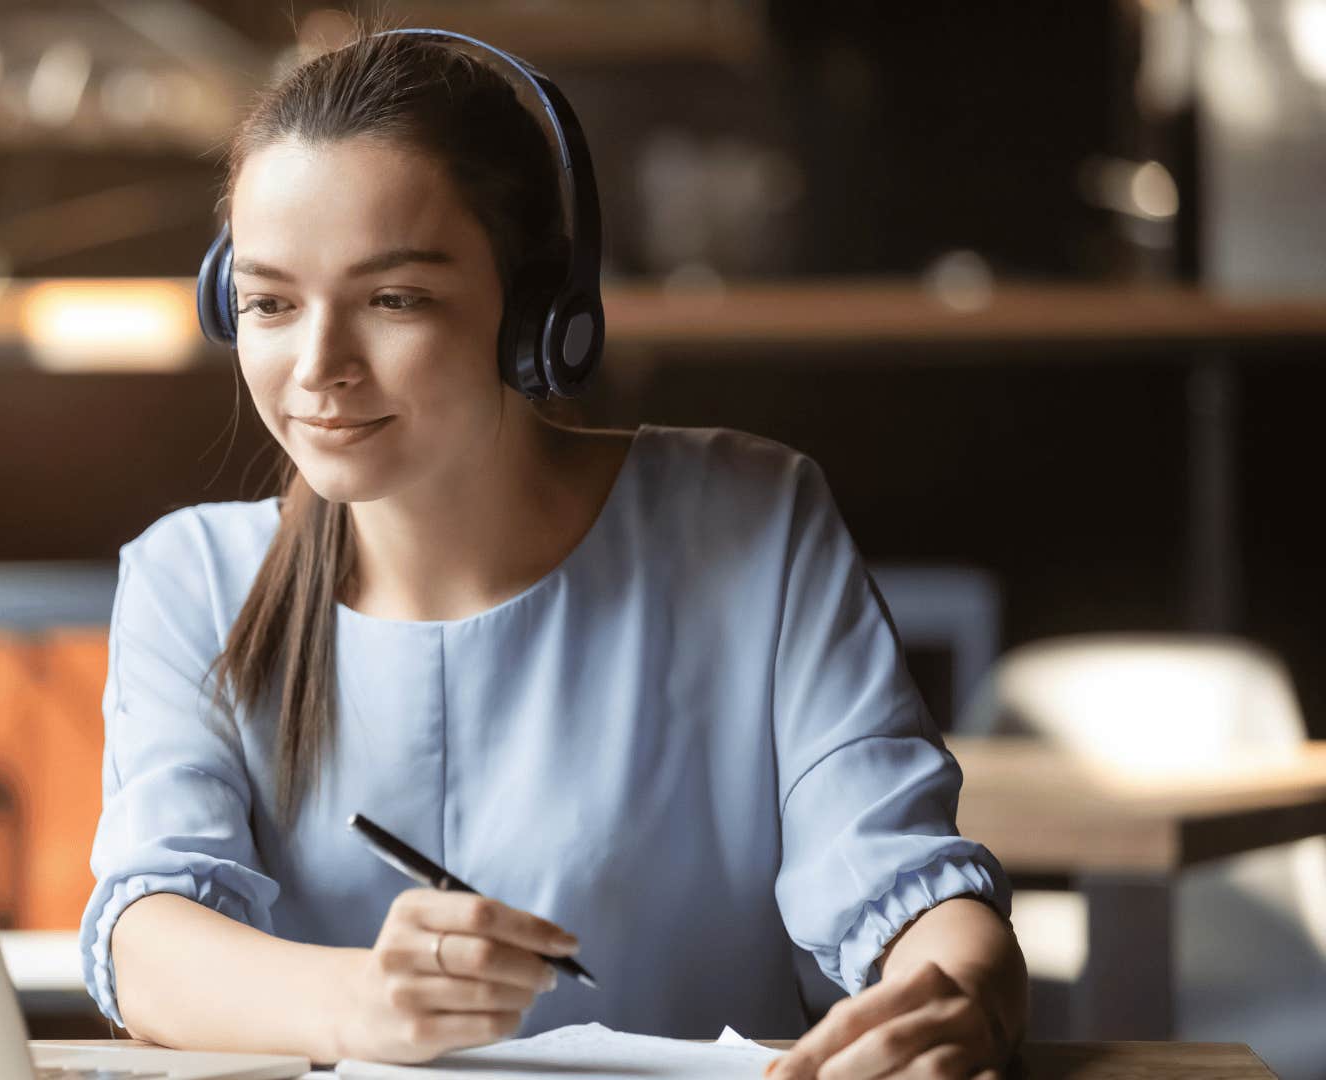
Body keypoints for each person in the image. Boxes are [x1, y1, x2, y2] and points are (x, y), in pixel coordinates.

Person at [78, 28, 1028, 1078]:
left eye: (394, 299)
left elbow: (906, 887)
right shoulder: (192, 579)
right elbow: (148, 935)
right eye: (270, 303)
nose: (319, 368)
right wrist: (363, 1003)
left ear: (536, 315)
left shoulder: (751, 523)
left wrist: (962, 1000)